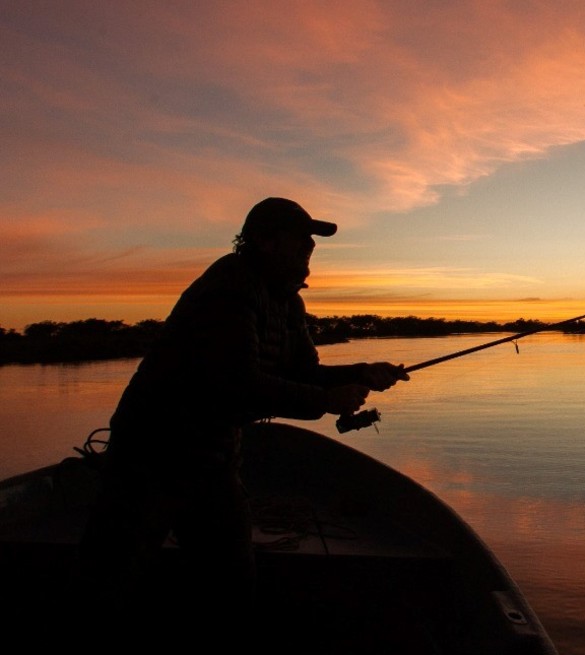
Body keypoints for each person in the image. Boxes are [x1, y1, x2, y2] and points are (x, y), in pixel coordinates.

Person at [78, 197, 408, 642]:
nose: (310, 248)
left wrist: (361, 372)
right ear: (267, 242)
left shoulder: (287, 301)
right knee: (111, 586)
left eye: (312, 241)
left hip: (214, 457)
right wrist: (327, 400)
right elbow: (237, 383)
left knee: (231, 584)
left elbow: (302, 372)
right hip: (151, 456)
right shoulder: (229, 289)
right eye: (301, 239)